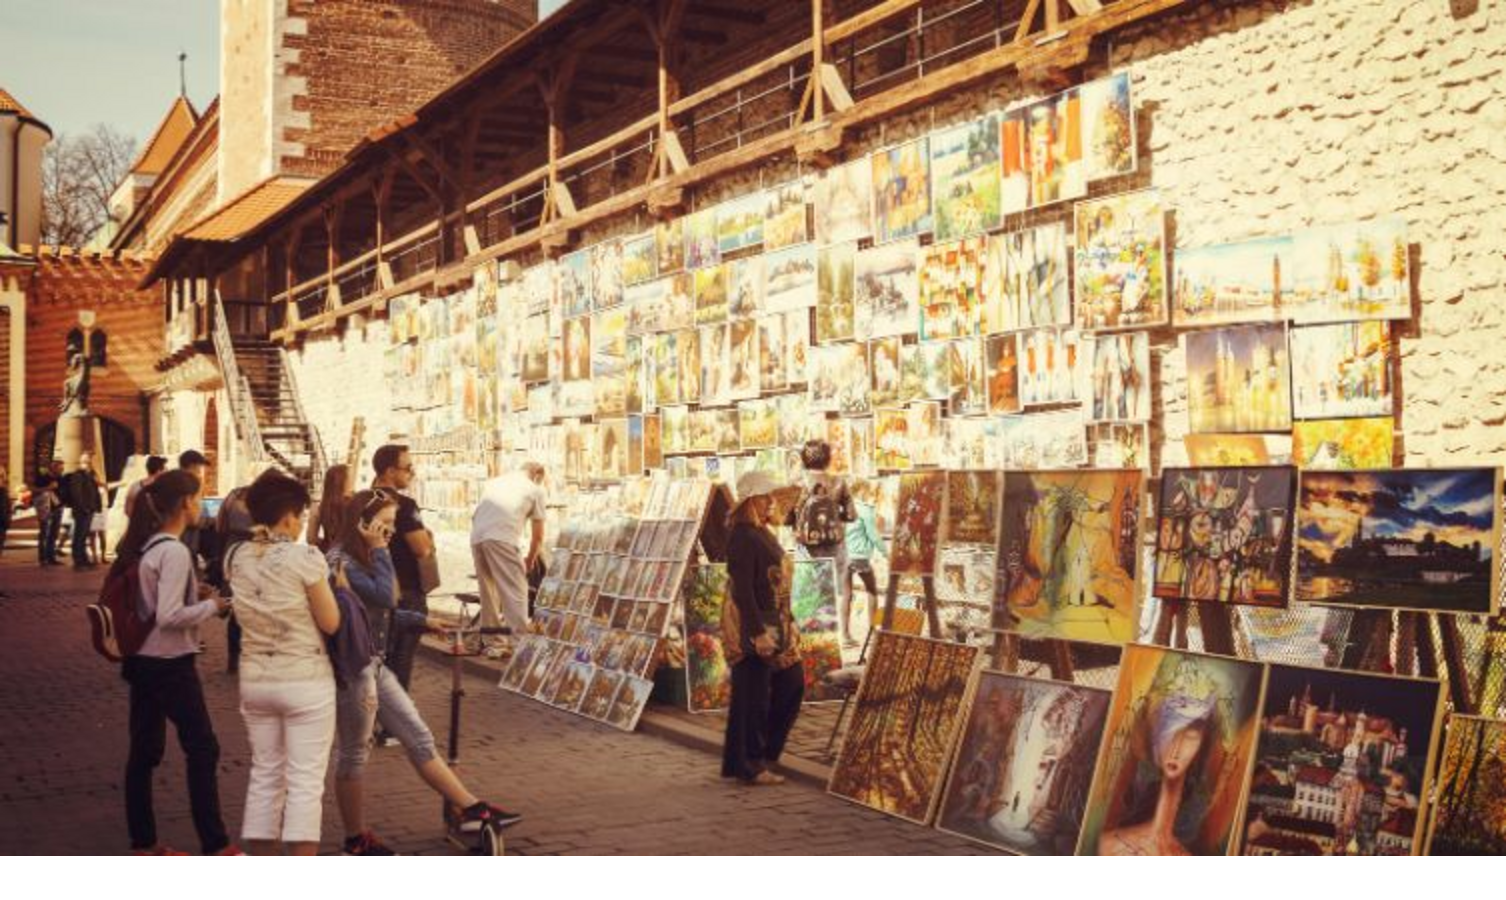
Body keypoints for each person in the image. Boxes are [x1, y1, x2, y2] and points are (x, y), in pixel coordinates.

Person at [327, 490, 522, 854]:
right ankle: (355, 839)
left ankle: (471, 808)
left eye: (392, 525)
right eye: (385, 525)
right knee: (354, 754)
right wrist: (381, 552)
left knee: (419, 738)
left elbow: (376, 613)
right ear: (363, 523)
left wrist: (421, 620)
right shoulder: (343, 561)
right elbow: (385, 597)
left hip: (374, 664)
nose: (390, 533)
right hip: (355, 671)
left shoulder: (362, 555)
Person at [111, 469, 240, 856]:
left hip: (143, 660)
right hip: (169, 663)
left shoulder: (149, 545)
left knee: (145, 751)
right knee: (202, 748)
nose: (201, 506)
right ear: (185, 503)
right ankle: (214, 842)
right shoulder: (175, 551)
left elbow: (154, 603)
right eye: (198, 498)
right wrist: (212, 606)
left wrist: (192, 594)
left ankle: (143, 841)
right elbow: (168, 616)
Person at [227, 469, 341, 856]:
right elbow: (330, 621)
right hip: (305, 679)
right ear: (289, 517)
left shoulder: (237, 557)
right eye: (302, 516)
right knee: (305, 782)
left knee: (265, 775)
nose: (303, 523)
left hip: (256, 680)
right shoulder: (304, 557)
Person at [722, 469, 804, 786]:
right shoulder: (743, 535)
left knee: (791, 683)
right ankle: (751, 764)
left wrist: (787, 621)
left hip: (775, 620)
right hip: (754, 623)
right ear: (752, 500)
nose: (772, 501)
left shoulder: (761, 532)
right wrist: (757, 632)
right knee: (752, 696)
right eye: (766, 497)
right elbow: (743, 589)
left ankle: (759, 755)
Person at [371, 444, 434, 691]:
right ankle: (394, 714)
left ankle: (374, 711)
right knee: (400, 664)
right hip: (405, 591)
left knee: (376, 661)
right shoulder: (404, 505)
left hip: (372, 589)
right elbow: (422, 549)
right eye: (407, 468)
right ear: (389, 471)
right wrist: (428, 536)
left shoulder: (362, 500)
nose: (412, 473)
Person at [470, 461, 546, 659]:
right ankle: (519, 644)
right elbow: (538, 536)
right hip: (502, 537)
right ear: (537, 475)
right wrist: (529, 561)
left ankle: (494, 644)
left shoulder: (495, 483)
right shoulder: (534, 489)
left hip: (477, 537)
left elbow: (476, 516)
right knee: (516, 591)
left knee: (488, 593)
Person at [788, 439, 857, 644]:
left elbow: (785, 518)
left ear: (804, 459)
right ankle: (845, 635)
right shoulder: (839, 482)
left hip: (806, 546)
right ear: (828, 459)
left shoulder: (797, 483)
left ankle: (811, 640)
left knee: (809, 590)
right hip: (835, 545)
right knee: (844, 588)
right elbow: (852, 515)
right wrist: (834, 516)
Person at [843, 478, 885, 647]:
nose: (869, 494)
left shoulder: (843, 509)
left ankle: (845, 636)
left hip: (843, 557)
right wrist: (886, 552)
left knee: (846, 595)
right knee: (872, 591)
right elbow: (874, 536)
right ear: (861, 490)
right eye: (867, 490)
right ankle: (873, 634)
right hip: (859, 557)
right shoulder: (865, 510)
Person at [61, 451, 103, 568]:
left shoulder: (89, 475)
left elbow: (93, 492)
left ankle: (84, 559)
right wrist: (84, 508)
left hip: (89, 509)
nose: (92, 463)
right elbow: (76, 494)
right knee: (79, 536)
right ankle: (78, 561)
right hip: (82, 511)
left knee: (83, 536)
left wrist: (95, 507)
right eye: (90, 461)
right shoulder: (78, 475)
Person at [306, 464, 354, 552]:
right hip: (352, 553)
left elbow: (311, 539)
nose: (353, 480)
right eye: (350, 477)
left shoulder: (319, 507)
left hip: (329, 553)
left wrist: (326, 543)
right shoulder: (356, 503)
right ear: (343, 481)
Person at [177, 450, 211, 560]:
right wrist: (212, 521)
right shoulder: (189, 485)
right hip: (185, 545)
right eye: (199, 468)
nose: (200, 473)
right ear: (192, 466)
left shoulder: (172, 481)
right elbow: (194, 520)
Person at [33, 460, 65, 565]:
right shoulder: (42, 478)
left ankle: (51, 557)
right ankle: (43, 558)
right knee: (44, 534)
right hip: (46, 510)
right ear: (53, 468)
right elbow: (34, 490)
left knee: (54, 534)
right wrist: (48, 488)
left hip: (58, 508)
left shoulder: (60, 479)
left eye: (62, 468)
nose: (62, 470)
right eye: (60, 468)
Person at [0, 466, 10, 557]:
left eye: (3, 476)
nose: (2, 478)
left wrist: (7, 520)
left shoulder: (4, 491)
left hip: (2, 523)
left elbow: (7, 507)